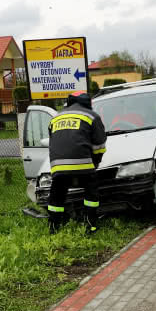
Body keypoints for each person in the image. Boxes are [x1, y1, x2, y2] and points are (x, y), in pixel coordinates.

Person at [47, 91, 107, 234]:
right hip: (83, 164)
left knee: (57, 195)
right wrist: (95, 164)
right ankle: (90, 225)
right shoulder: (91, 116)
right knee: (91, 193)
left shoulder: (55, 118)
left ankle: (53, 228)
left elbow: (55, 140)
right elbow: (99, 144)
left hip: (57, 166)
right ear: (88, 103)